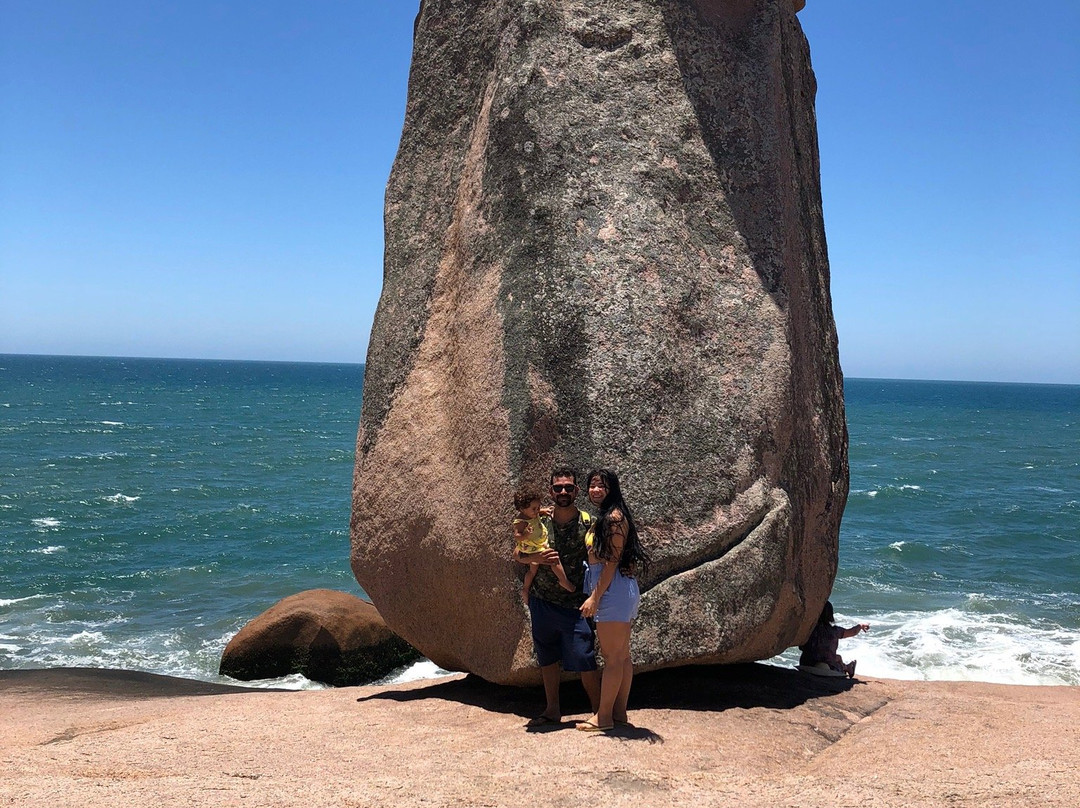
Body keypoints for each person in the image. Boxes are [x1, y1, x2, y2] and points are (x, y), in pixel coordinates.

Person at [513, 467, 600, 726]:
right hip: (542, 601)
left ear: (576, 491)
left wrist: (595, 597)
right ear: (550, 491)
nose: (563, 492)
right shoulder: (539, 521)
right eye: (558, 487)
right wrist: (536, 558)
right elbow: (517, 554)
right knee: (547, 658)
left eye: (569, 488)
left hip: (575, 605)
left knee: (585, 657)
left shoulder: (588, 522)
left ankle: (599, 712)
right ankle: (552, 709)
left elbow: (599, 561)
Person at [576, 469, 649, 732]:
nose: (595, 490)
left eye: (602, 486)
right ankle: (618, 713)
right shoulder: (607, 517)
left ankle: (603, 717)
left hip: (612, 589)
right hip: (616, 588)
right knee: (622, 656)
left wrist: (595, 597)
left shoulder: (614, 518)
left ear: (613, 489)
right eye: (592, 485)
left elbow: (611, 562)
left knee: (613, 656)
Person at [512, 485, 573, 603]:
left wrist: (542, 511)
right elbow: (517, 536)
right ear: (523, 510)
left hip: (538, 542)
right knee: (553, 559)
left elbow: (537, 511)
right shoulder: (521, 522)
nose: (537, 511)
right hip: (533, 547)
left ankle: (525, 589)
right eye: (534, 509)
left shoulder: (532, 513)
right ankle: (563, 580)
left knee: (532, 571)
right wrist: (525, 535)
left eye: (538, 507)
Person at [798, 601, 870, 678]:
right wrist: (861, 625)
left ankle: (848, 667)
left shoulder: (808, 630)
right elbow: (852, 632)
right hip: (828, 666)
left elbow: (801, 647)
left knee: (837, 657)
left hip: (807, 664)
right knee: (836, 660)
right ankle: (848, 668)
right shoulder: (834, 631)